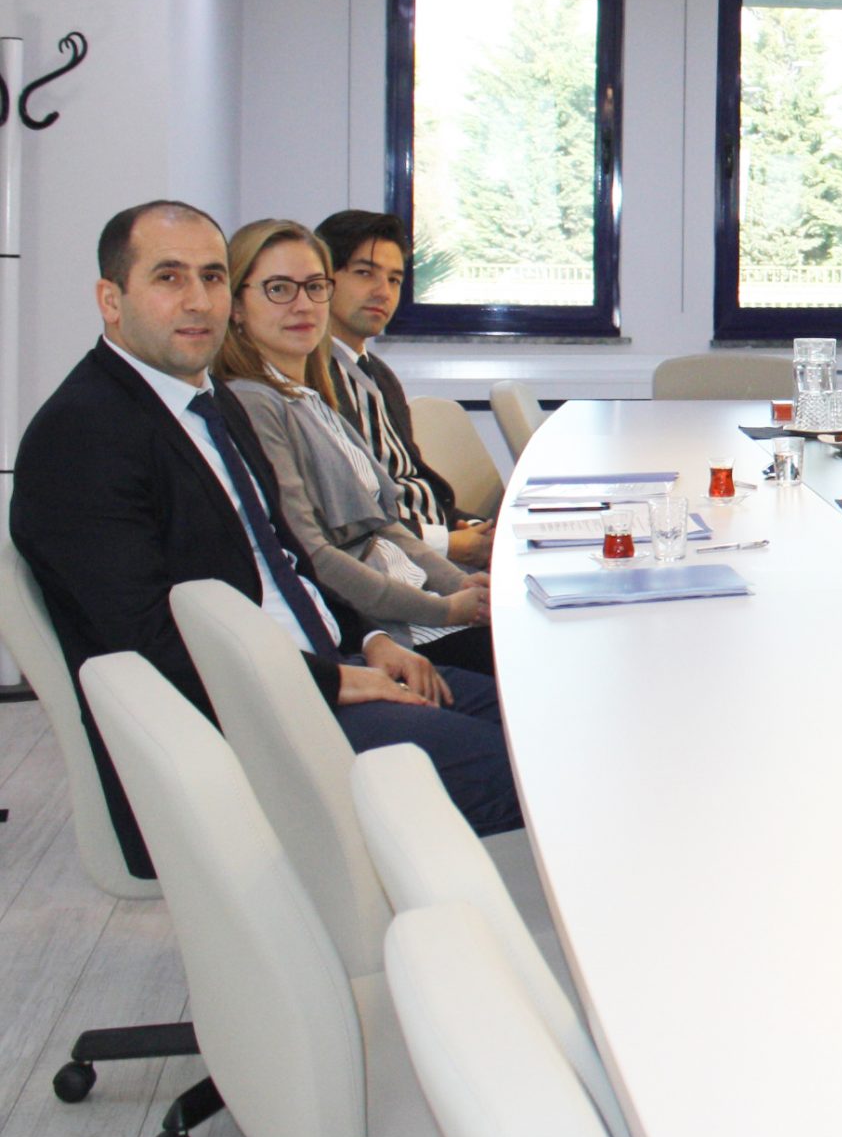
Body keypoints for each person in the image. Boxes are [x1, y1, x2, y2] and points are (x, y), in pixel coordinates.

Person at [11, 201, 520, 879]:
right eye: (168, 277)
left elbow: (290, 559)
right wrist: (335, 679)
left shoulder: (209, 402)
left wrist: (371, 640)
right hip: (245, 724)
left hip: (317, 672)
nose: (198, 301)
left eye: (212, 276)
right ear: (111, 299)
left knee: (542, 729)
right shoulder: (83, 434)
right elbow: (148, 643)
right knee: (530, 780)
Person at [215, 218, 498, 678]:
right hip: (391, 626)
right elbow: (316, 555)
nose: (303, 304)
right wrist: (448, 608)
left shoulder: (310, 394)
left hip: (413, 595)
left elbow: (383, 524)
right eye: (279, 289)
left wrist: (463, 587)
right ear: (236, 306)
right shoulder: (253, 402)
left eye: (314, 287)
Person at [314, 208, 492, 568]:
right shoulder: (311, 380)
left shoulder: (380, 375)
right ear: (322, 280)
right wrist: (448, 544)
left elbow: (413, 482)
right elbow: (345, 519)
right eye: (365, 273)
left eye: (394, 280)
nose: (383, 292)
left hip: (438, 541)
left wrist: (478, 530)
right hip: (399, 565)